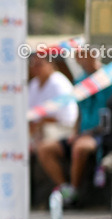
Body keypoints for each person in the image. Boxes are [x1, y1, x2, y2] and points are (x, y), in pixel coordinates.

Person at [36, 49, 109, 207]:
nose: (79, 59)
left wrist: (89, 134)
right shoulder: (79, 81)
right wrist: (75, 132)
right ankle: (66, 188)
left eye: (83, 54)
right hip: (82, 133)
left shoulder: (108, 77)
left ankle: (74, 193)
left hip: (101, 134)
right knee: (45, 149)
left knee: (79, 148)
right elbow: (80, 113)